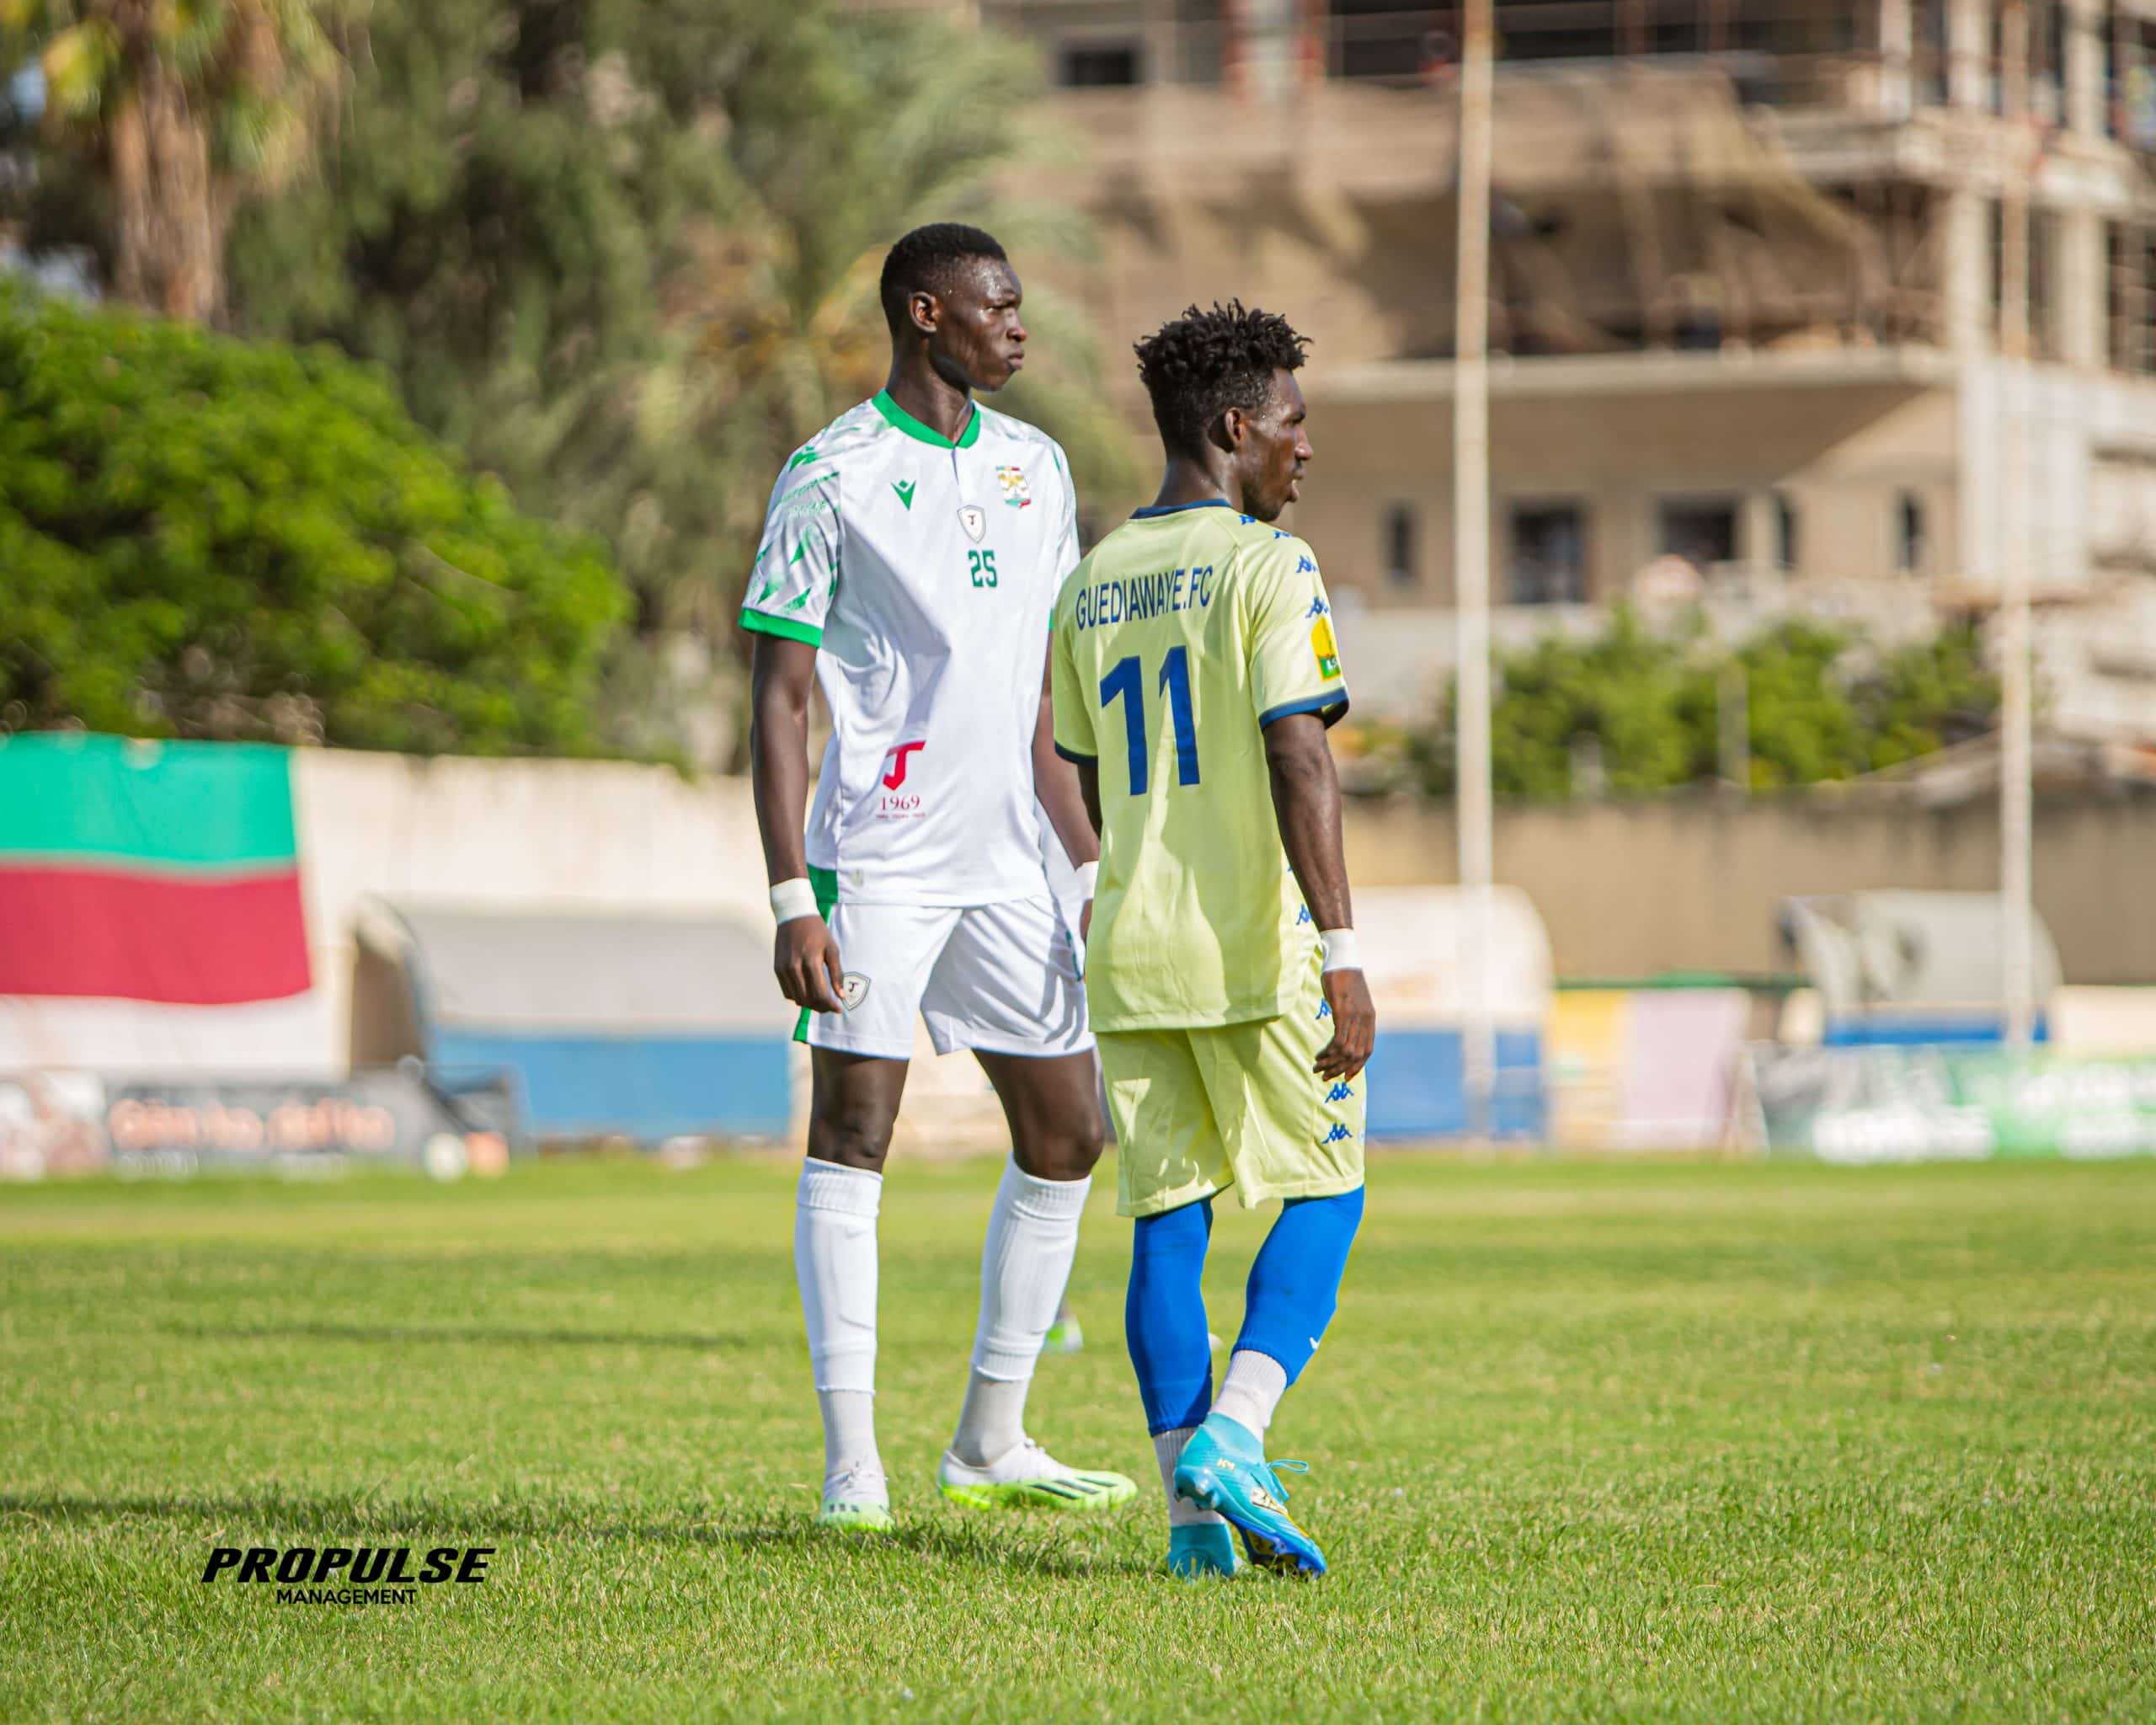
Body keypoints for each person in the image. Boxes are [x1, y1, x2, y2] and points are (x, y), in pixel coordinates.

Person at [742, 222, 1134, 1531]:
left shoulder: (1039, 466)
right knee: (856, 1135)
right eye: (999, 308)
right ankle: (855, 1465)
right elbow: (781, 698)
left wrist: (1086, 869)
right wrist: (796, 893)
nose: (1020, 328)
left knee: (1072, 1130)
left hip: (1013, 864)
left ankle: (991, 1437)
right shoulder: (829, 475)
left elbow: (1043, 701)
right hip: (879, 862)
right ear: (928, 314)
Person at [1049, 301, 1376, 1579]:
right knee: (1328, 1188)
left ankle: (1192, 1534)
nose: (1307, 447)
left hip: (1130, 951)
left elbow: (1078, 772)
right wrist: (1342, 950)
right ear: (1238, 428)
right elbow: (1302, 753)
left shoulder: (1091, 581)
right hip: (1250, 946)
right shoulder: (1266, 567)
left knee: (1166, 1224)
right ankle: (1234, 1437)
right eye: (1294, 423)